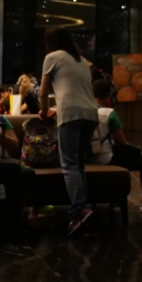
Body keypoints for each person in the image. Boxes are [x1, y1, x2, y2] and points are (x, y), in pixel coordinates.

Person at [39, 27, 100, 236]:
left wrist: (44, 111)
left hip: (71, 115)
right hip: (91, 114)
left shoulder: (52, 57)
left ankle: (78, 210)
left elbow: (43, 91)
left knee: (69, 164)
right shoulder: (82, 60)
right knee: (79, 164)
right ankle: (82, 210)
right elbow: (77, 91)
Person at [89, 80, 128, 165]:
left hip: (85, 160)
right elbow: (121, 143)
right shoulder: (109, 113)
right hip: (106, 159)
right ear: (108, 97)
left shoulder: (83, 112)